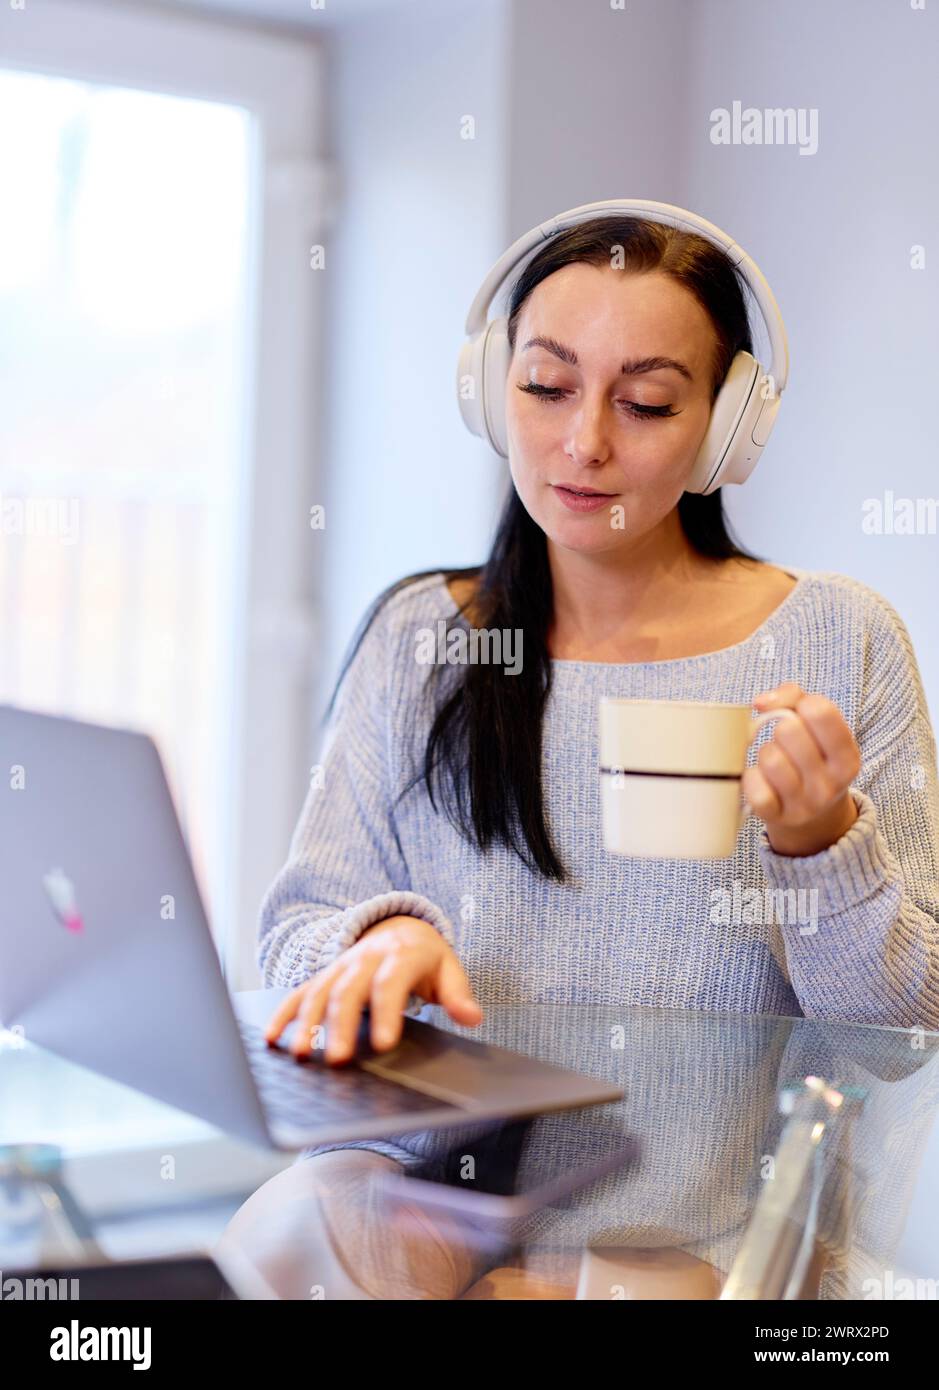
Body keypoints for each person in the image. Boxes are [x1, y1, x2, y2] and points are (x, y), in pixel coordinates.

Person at [220, 215, 939, 1299]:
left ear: (726, 425)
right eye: (547, 387)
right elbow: (292, 941)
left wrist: (820, 844)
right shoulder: (423, 638)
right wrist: (382, 938)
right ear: (487, 387)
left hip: (702, 1266)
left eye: (647, 402)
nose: (585, 442)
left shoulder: (840, 640)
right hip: (420, 1247)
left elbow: (902, 1033)